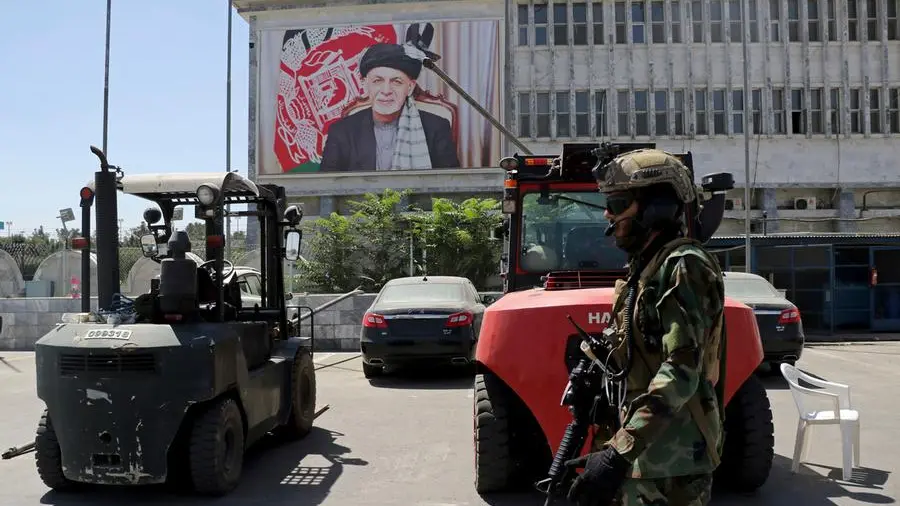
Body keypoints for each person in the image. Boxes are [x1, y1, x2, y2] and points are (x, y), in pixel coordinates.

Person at [564, 148, 727, 506]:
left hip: (673, 461)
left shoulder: (684, 266)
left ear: (656, 208)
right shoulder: (646, 269)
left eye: (618, 203)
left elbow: (681, 369)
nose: (608, 215)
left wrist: (618, 453)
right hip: (647, 453)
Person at [318, 42, 460, 172]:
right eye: (377, 81)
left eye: (396, 82)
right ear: (365, 85)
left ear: (410, 87)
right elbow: (326, 185)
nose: (386, 91)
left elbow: (451, 184)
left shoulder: (437, 127)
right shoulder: (341, 131)